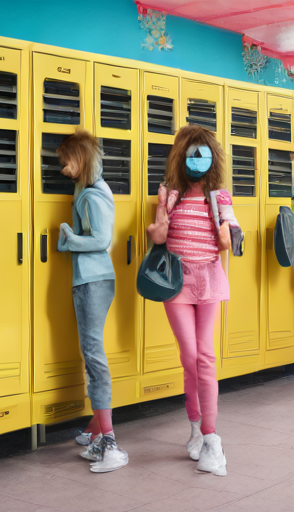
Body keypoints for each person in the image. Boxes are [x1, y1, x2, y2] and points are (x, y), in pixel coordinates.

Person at [147, 124, 239, 477]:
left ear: (211, 159)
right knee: (189, 356)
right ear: (180, 157)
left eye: (202, 155)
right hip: (176, 283)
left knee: (205, 355)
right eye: (191, 154)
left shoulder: (219, 197)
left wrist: (226, 236)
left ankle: (213, 440)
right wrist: (157, 229)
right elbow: (157, 234)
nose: (196, 161)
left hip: (210, 280)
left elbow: (230, 238)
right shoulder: (170, 195)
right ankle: (195, 425)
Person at [57, 129, 128, 473]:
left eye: (66, 162)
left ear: (80, 158)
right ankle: (95, 431)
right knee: (93, 353)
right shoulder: (89, 189)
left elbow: (101, 239)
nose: (63, 169)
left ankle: (110, 442)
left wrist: (71, 239)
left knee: (93, 356)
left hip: (92, 281)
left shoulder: (92, 196)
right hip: (95, 280)